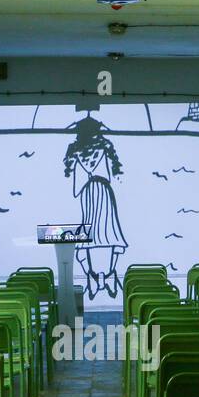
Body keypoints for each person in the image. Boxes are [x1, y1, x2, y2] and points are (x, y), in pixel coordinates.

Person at [63, 116, 127, 299]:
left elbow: (76, 190)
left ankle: (92, 275)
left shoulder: (77, 156)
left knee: (87, 240)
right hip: (105, 195)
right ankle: (109, 274)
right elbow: (109, 177)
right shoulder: (104, 151)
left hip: (89, 197)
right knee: (112, 234)